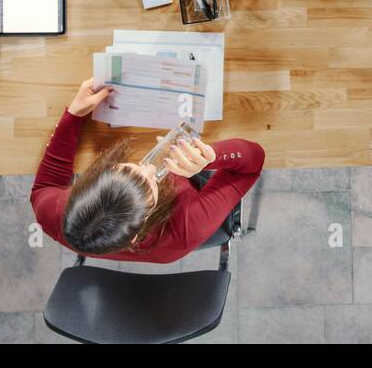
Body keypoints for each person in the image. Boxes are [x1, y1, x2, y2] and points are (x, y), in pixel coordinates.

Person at [30, 79, 265, 264]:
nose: (150, 167)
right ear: (136, 233)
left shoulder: (54, 215)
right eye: (150, 185)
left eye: (124, 169)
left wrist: (74, 115)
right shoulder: (186, 226)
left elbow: (44, 187)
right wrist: (211, 158)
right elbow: (254, 161)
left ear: (81, 191)